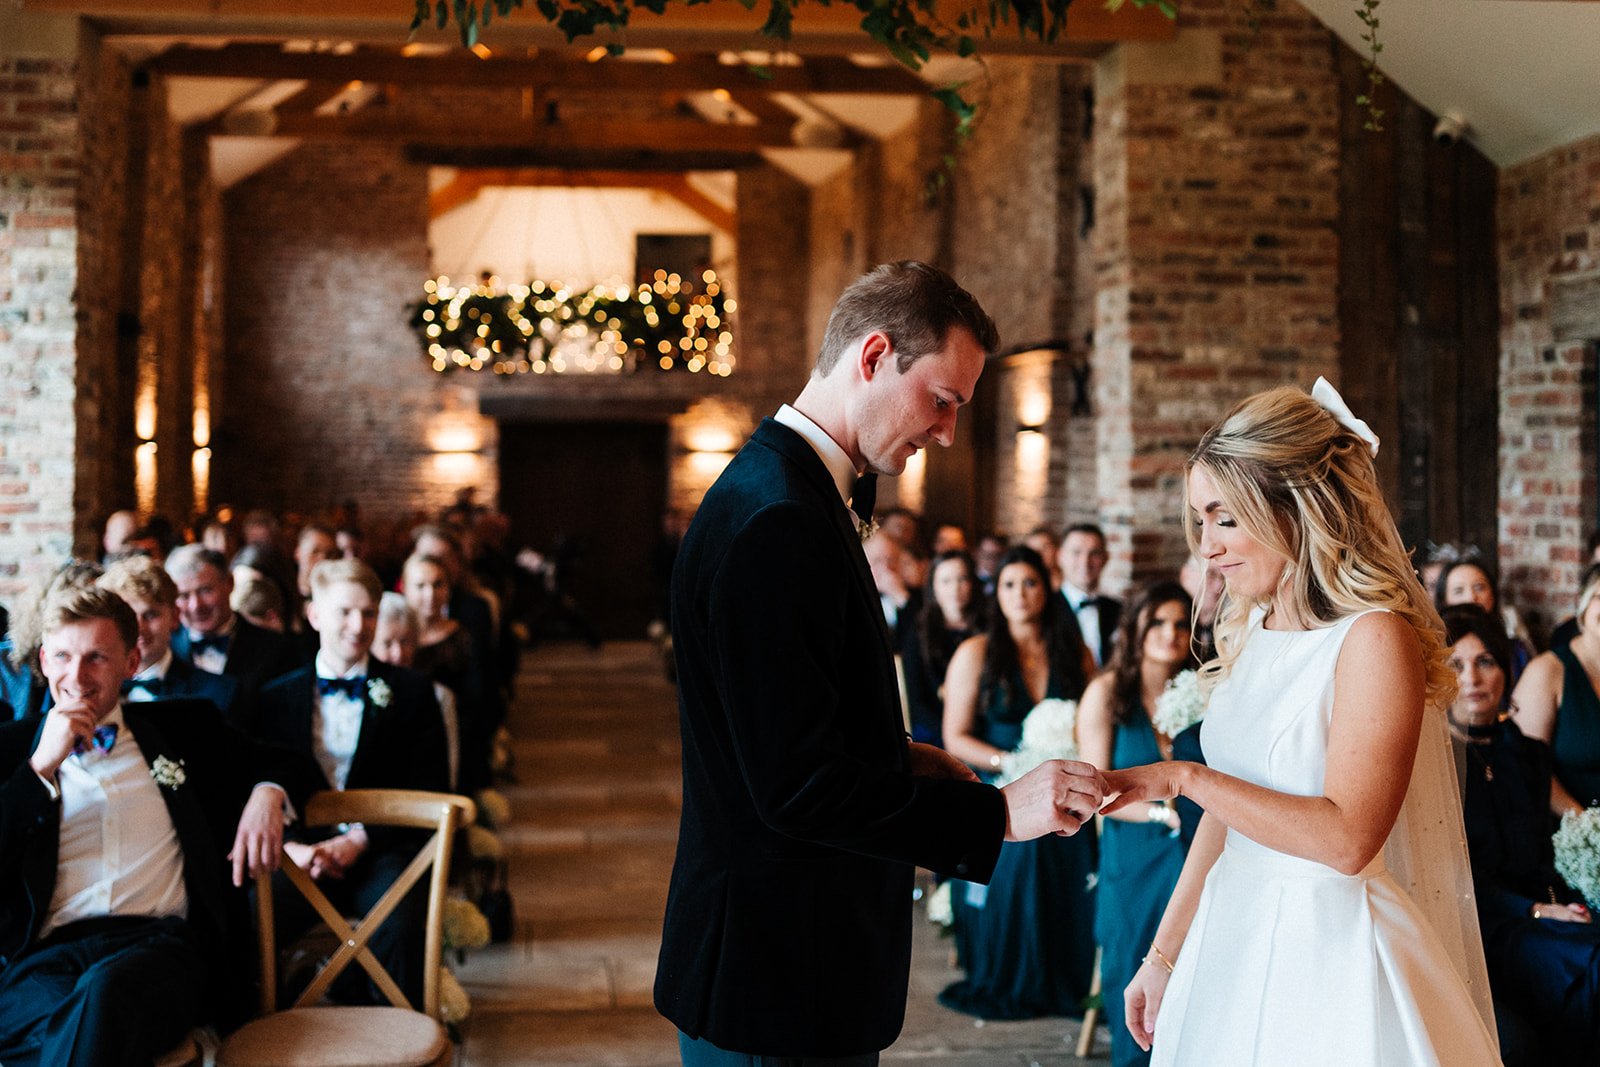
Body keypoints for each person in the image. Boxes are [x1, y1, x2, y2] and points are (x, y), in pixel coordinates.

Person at [656, 261, 1106, 1066]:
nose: (947, 433)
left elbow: (771, 725)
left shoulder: (782, 488)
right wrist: (1002, 815)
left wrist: (894, 758)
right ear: (873, 356)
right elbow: (794, 787)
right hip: (777, 977)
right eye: (943, 400)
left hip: (791, 962)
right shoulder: (779, 521)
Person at [1105, 378, 1499, 1064]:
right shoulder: (1254, 627)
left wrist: (1183, 776)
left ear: (1295, 506)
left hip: (1330, 951)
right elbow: (1233, 814)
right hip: (1231, 931)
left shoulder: (1374, 638)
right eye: (1200, 520)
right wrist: (1163, 955)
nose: (1208, 545)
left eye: (1226, 517)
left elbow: (1349, 838)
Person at [0, 584, 321, 1066]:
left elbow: (295, 764)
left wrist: (266, 792)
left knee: (102, 996)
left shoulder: (186, 728)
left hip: (159, 950)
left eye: (97, 658)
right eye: (63, 656)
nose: (77, 676)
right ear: (44, 661)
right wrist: (39, 769)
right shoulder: (9, 751)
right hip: (46, 957)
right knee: (81, 1018)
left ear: (131, 663)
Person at [248, 559, 450, 1007]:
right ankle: (269, 1035)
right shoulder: (275, 697)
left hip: (382, 852)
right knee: (249, 914)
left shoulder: (413, 691)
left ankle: (400, 1040)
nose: (359, 626)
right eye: (344, 612)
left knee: (399, 923)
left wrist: (359, 840)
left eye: (369, 613)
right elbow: (260, 780)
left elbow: (430, 785)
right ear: (314, 615)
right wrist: (293, 849)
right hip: (303, 854)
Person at [938, 546, 1097, 1020]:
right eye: (1009, 584)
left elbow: (1092, 720)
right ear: (997, 593)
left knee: (1069, 833)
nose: (1020, 594)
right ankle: (1014, 967)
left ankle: (1069, 970)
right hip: (998, 779)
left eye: (1030, 583)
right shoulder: (977, 652)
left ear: (1045, 591)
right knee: (1027, 844)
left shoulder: (1073, 651)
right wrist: (1011, 761)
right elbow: (955, 736)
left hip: (1063, 780)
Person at [1441, 604, 1600, 1064]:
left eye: (1484, 661)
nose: (1471, 678)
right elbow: (1455, 875)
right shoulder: (1438, 764)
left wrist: (1566, 900)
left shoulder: (1526, 754)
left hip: (1543, 908)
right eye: (1456, 664)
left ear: (1505, 670)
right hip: (1484, 923)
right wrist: (1533, 909)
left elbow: (1543, 850)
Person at [1077, 581, 1196, 1067]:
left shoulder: (1199, 687)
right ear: (1137, 629)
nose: (1170, 633)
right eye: (1158, 623)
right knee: (1138, 941)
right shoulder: (1106, 693)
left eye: (1180, 623)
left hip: (1193, 842)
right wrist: (1159, 812)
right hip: (1134, 844)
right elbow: (1096, 790)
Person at [165, 545, 304, 714]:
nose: (196, 606)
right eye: (184, 596)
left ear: (229, 583)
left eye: (205, 591)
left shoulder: (277, 649)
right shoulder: (166, 648)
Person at [1509, 561, 1600, 816]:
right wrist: (1585, 826)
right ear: (1582, 605)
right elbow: (1526, 766)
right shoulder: (1548, 672)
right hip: (1569, 832)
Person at [97, 555, 237, 713]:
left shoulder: (218, 693)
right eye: (128, 617)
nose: (139, 628)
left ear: (175, 617)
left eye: (150, 615)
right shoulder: (90, 689)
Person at [901, 550, 984, 747]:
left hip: (981, 724)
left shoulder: (987, 628)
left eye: (962, 579)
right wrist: (953, 737)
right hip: (934, 726)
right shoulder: (918, 633)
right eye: (946, 581)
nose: (955, 588)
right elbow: (917, 701)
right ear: (933, 587)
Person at [1435, 555, 1535, 684]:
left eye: (1479, 587)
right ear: (1444, 600)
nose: (1471, 597)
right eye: (1458, 590)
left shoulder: (1517, 651)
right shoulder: (1433, 650)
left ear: (1493, 595)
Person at [1059, 523, 1122, 668]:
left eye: (1094, 553)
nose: (1085, 561)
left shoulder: (1119, 610)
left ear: (1106, 558)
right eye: (1076, 552)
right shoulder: (1046, 607)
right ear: (1060, 556)